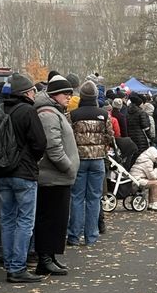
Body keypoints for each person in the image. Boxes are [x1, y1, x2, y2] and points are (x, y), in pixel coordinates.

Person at [0, 73, 47, 283]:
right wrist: (32, 159)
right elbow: (40, 143)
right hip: (24, 172)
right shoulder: (27, 111)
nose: (34, 94)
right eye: (32, 90)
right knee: (25, 221)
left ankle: (9, 263)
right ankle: (17, 267)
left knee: (7, 218)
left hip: (1, 171)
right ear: (26, 93)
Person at [33, 74, 80, 275]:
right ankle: (44, 258)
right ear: (55, 94)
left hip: (58, 177)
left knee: (57, 219)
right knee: (50, 219)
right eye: (65, 93)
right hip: (52, 177)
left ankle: (50, 255)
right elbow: (53, 147)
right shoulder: (48, 114)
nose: (69, 97)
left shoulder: (55, 112)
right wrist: (68, 167)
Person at [68, 79, 114, 247]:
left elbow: (69, 137)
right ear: (95, 96)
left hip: (79, 159)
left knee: (77, 197)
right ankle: (91, 236)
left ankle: (74, 235)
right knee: (94, 198)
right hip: (97, 160)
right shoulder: (103, 114)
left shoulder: (72, 115)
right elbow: (110, 135)